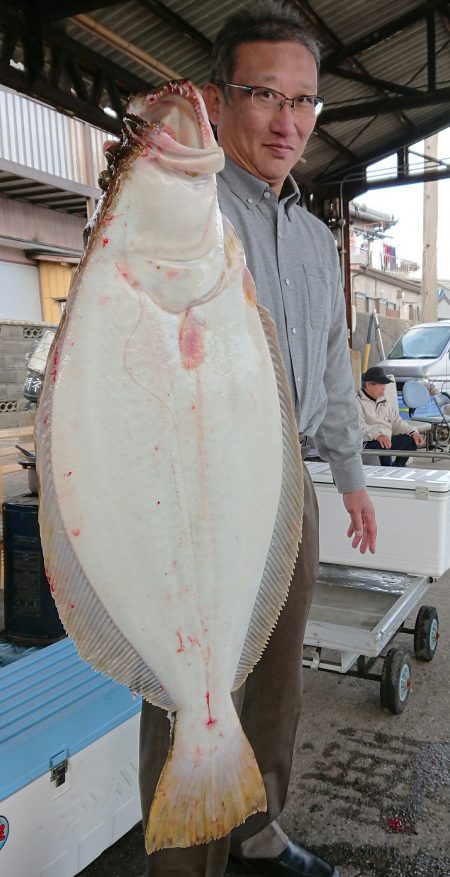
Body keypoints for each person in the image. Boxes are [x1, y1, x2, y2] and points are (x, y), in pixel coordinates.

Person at [138, 2, 377, 875]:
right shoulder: (180, 207)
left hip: (295, 484)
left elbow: (332, 366)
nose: (288, 121)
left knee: (278, 677)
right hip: (200, 486)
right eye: (265, 94)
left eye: (306, 101)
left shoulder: (315, 238)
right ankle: (184, 861)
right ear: (216, 96)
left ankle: (261, 826)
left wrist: (349, 477)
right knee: (192, 685)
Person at [357, 366, 425, 466]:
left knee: (411, 440)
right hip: (368, 440)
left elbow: (397, 422)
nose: (383, 391)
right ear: (369, 385)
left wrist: (413, 432)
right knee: (383, 445)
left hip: (386, 439)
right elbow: (359, 427)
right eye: (381, 388)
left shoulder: (383, 400)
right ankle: (387, 470)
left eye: (384, 389)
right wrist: (378, 435)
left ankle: (398, 467)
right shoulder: (356, 402)